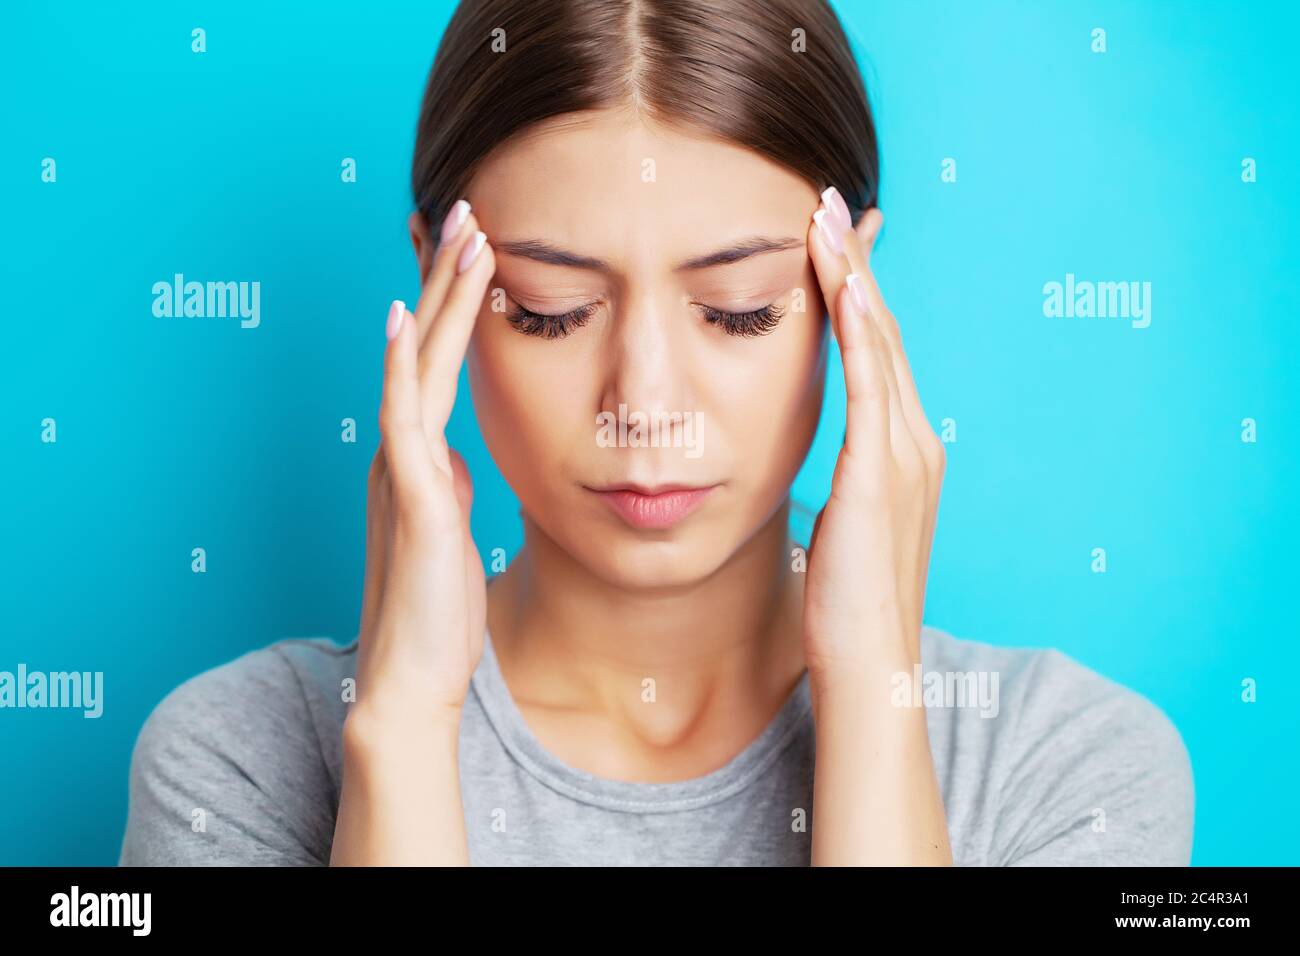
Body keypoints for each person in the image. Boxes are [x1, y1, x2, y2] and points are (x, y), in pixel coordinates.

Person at [119, 0, 1193, 866]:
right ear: (433, 277)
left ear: (847, 288)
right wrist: (399, 730)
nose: (644, 401)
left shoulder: (1069, 765)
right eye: (549, 307)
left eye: (738, 309)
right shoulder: (240, 759)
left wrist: (873, 695)